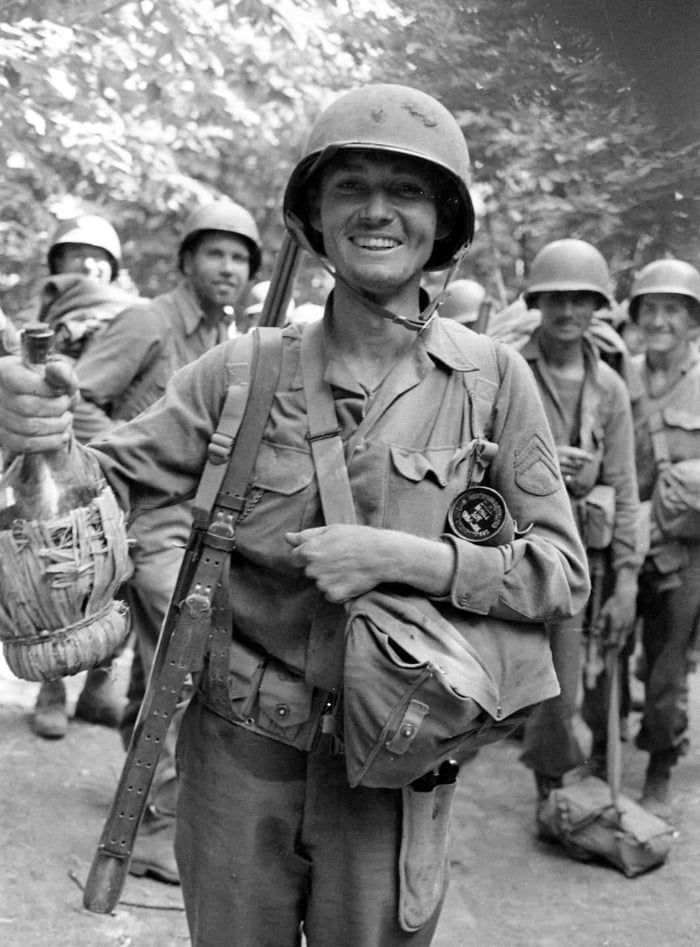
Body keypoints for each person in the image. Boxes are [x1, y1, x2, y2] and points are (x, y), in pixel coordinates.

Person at [0, 84, 589, 946]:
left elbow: (561, 573)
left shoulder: (494, 381)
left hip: (396, 763)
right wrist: (37, 440)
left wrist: (401, 557)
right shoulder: (239, 370)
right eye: (351, 186)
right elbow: (105, 484)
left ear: (444, 220)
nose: (378, 211)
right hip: (237, 758)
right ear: (315, 214)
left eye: (408, 189)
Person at [517, 239, 641, 804]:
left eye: (582, 300)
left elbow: (624, 484)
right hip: (514, 548)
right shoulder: (510, 368)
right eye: (556, 299)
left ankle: (555, 787)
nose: (569, 312)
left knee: (565, 686)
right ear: (537, 302)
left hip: (580, 560)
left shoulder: (611, 387)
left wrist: (629, 579)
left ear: (598, 308)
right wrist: (532, 459)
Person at [29, 212, 142, 740]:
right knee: (52, 573)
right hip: (52, 463)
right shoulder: (44, 324)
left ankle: (98, 687)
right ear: (60, 265)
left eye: (99, 258)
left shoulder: (133, 317)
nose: (89, 265)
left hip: (119, 460)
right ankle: (51, 689)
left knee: (119, 572)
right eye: (78, 257)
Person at [627, 258, 700, 819]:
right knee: (604, 661)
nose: (660, 321)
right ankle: (600, 748)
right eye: (650, 309)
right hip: (621, 543)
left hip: (682, 551)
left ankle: (658, 767)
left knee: (666, 670)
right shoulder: (617, 376)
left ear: (693, 321)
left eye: (672, 310)